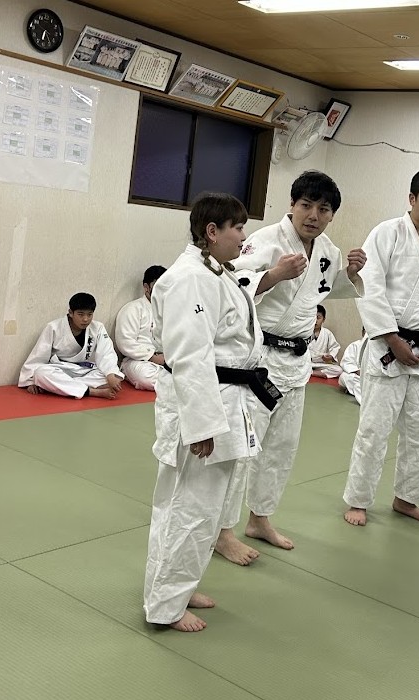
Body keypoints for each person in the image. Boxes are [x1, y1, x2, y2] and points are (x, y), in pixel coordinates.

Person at [143, 192, 284, 633]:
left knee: (198, 509)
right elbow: (190, 355)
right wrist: (201, 424)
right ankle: (166, 606)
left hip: (223, 397)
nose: (243, 237)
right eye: (237, 228)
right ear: (212, 231)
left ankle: (177, 589)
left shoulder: (214, 271)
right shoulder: (190, 279)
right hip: (202, 404)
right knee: (189, 508)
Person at [214, 170, 366, 565]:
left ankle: (259, 518)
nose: (314, 215)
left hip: (298, 362)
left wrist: (350, 274)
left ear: (331, 215)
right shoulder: (264, 240)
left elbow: (323, 290)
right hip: (260, 359)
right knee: (243, 450)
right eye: (306, 205)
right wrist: (273, 275)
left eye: (324, 209)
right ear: (292, 205)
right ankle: (222, 531)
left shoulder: (328, 250)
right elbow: (232, 285)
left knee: (281, 449)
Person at [343, 167, 419, 527]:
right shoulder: (387, 233)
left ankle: (407, 499)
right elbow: (369, 287)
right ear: (412, 198)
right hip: (388, 348)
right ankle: (358, 501)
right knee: (374, 430)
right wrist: (392, 338)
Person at [18, 292, 123, 399]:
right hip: (61, 369)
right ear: (71, 313)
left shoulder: (98, 327)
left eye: (89, 314)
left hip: (85, 370)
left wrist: (110, 374)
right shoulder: (53, 327)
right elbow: (39, 354)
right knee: (41, 373)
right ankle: (92, 391)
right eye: (81, 314)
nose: (85, 319)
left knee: (111, 376)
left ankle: (61, 386)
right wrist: (31, 381)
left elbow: (107, 353)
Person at [115, 265, 167, 391]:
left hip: (166, 360)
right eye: (158, 286)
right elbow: (125, 342)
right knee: (146, 377)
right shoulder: (132, 309)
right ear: (146, 287)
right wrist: (152, 357)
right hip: (138, 361)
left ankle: (172, 382)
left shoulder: (171, 310)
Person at [309, 304, 343, 378]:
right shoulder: (305, 332)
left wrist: (331, 356)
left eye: (318, 318)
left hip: (321, 363)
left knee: (339, 370)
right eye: (313, 317)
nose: (315, 321)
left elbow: (335, 347)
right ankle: (312, 372)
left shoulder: (327, 333)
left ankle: (312, 373)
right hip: (307, 363)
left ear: (323, 319)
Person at [338, 328, 366, 404]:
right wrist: (357, 371)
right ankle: (362, 394)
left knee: (358, 385)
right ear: (363, 333)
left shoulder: (379, 348)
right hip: (357, 376)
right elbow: (346, 362)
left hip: (371, 379)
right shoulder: (355, 345)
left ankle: (361, 396)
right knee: (343, 376)